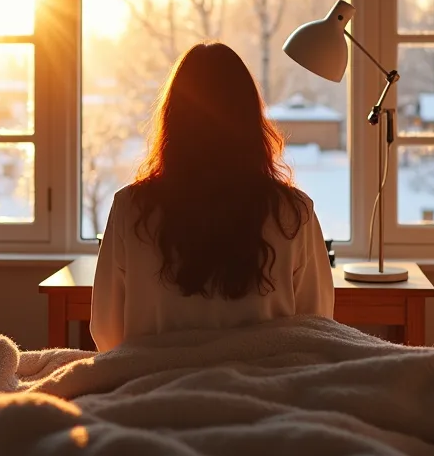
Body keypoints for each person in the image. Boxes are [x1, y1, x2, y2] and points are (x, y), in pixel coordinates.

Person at [91, 42, 334, 351]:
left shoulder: (130, 209)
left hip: (155, 391)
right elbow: (318, 327)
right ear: (250, 120)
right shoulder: (294, 212)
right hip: (262, 392)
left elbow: (106, 330)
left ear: (172, 119)